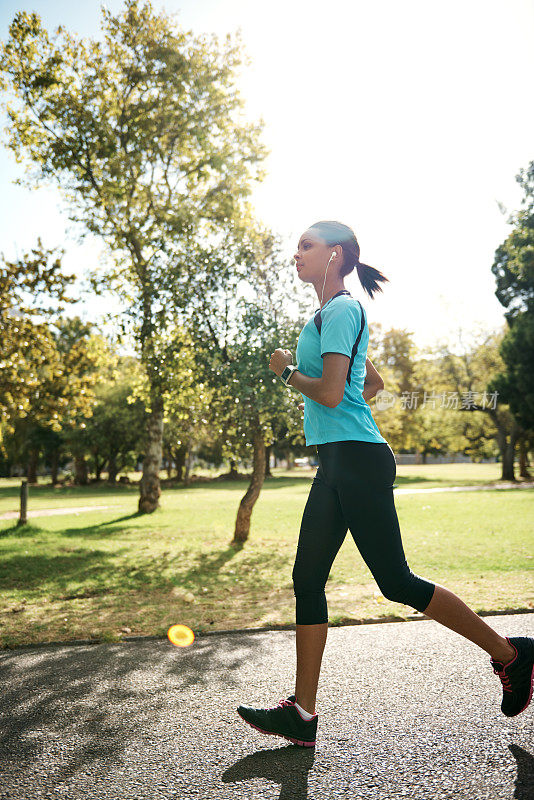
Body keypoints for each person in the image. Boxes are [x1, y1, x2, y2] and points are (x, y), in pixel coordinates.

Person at [236, 219, 534, 748]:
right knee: (307, 577)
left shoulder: (344, 309)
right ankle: (302, 713)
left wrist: (286, 373)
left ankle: (512, 653)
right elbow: (367, 383)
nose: (295, 253)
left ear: (336, 255)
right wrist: (344, 406)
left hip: (357, 461)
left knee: (395, 582)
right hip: (338, 460)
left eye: (307, 246)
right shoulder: (330, 314)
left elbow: (330, 392)